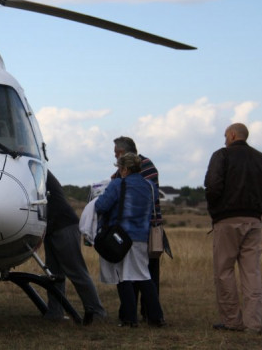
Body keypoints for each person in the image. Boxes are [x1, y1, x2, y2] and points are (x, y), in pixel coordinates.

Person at [204, 123, 262, 334]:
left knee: (224, 271)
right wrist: (257, 205)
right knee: (251, 272)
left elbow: (212, 186)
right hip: (254, 221)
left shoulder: (221, 156)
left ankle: (232, 321)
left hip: (227, 221)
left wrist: (217, 208)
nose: (224, 140)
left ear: (232, 135)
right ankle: (253, 324)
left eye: (225, 136)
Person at [95, 153, 165, 328]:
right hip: (142, 237)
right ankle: (156, 317)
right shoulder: (150, 187)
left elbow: (101, 205)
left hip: (121, 236)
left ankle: (129, 318)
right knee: (143, 275)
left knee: (123, 276)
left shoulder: (119, 184)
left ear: (124, 169)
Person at [112, 136, 170, 321]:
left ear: (122, 153)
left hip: (144, 228)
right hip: (145, 227)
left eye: (115, 153)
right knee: (143, 273)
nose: (114, 156)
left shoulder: (142, 167)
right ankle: (146, 313)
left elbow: (123, 188)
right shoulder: (145, 166)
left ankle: (141, 313)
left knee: (143, 273)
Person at [43, 170, 107, 323]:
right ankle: (55, 312)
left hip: (63, 226)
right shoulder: (38, 171)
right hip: (52, 228)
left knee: (76, 270)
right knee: (54, 274)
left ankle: (97, 311)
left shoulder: (38, 170)